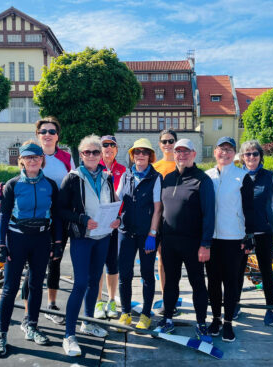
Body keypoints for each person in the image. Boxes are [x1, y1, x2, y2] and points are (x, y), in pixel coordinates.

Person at [0, 141, 63, 358]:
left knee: (35, 285)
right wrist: (1, 245)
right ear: (21, 160)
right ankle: (2, 335)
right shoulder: (13, 185)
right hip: (17, 239)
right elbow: (3, 216)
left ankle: (31, 325)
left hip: (41, 239)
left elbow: (57, 215)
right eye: (28, 157)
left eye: (37, 157)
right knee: (9, 288)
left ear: (42, 160)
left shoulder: (50, 184)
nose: (33, 161)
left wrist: (57, 243)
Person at [59, 135, 120, 357]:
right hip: (82, 237)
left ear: (101, 154)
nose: (92, 155)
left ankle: (88, 322)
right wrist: (82, 219)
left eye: (96, 151)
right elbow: (61, 210)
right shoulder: (72, 178)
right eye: (88, 152)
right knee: (81, 283)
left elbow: (112, 204)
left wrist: (118, 220)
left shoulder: (107, 176)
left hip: (103, 236)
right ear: (81, 154)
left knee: (95, 282)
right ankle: (69, 335)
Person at [154, 138, 214, 343]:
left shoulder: (202, 180)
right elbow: (161, 212)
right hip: (170, 242)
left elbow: (209, 215)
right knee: (171, 282)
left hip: (193, 243)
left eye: (186, 151)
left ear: (193, 154)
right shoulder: (168, 178)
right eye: (178, 151)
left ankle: (201, 323)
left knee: (197, 283)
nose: (181, 155)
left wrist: (205, 244)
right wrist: (158, 239)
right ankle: (168, 319)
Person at [20, 117, 75, 330]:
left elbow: (71, 187)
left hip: (58, 219)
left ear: (57, 136)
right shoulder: (30, 154)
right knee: (32, 267)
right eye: (43, 131)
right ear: (38, 135)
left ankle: (51, 305)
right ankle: (27, 313)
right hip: (34, 219)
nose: (47, 135)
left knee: (55, 262)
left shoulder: (66, 158)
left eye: (52, 131)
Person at [205, 137, 255, 342]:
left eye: (229, 150)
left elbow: (250, 209)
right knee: (214, 282)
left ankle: (228, 323)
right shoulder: (207, 176)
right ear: (215, 151)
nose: (224, 153)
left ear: (234, 154)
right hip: (212, 239)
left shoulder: (242, 177)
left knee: (231, 282)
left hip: (234, 238)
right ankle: (215, 319)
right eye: (221, 149)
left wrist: (249, 235)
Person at [115, 138, 162, 331]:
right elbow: (117, 200)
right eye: (136, 152)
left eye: (144, 152)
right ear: (132, 156)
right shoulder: (126, 175)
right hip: (125, 233)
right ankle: (125, 312)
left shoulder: (156, 177)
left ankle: (145, 314)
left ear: (150, 156)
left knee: (147, 275)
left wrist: (152, 234)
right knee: (124, 274)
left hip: (146, 234)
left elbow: (158, 209)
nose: (140, 155)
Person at [235, 140, 273, 326]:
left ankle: (270, 309)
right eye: (247, 154)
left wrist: (264, 218)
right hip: (242, 232)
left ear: (261, 156)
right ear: (242, 157)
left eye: (255, 154)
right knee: (238, 270)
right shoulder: (238, 176)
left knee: (266, 269)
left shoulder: (270, 177)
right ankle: (235, 304)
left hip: (264, 231)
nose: (251, 157)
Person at [94, 135, 126, 319]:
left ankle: (112, 300)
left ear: (116, 150)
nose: (108, 148)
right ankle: (99, 301)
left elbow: (126, 199)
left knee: (113, 264)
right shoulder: (93, 169)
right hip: (97, 224)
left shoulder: (123, 170)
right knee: (97, 263)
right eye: (104, 145)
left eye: (112, 145)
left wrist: (120, 219)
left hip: (115, 224)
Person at [151, 129, 180, 316]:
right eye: (164, 141)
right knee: (162, 261)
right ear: (160, 145)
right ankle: (165, 298)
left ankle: (174, 298)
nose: (168, 144)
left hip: (177, 220)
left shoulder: (182, 164)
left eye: (171, 141)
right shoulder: (155, 167)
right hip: (159, 219)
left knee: (176, 262)